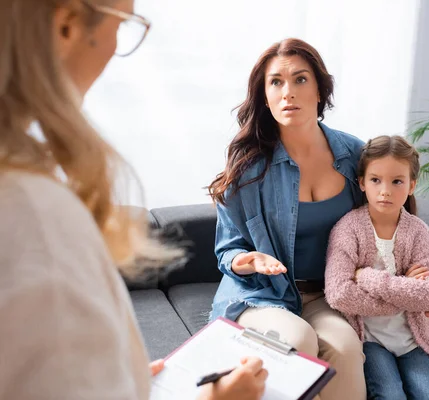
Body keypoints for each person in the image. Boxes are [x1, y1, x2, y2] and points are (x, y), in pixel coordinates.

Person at [0, 1, 266, 399]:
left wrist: (117, 378)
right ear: (68, 25)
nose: (114, 47)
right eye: (124, 24)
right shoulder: (35, 216)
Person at [207, 38, 429, 400]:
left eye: (300, 79)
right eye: (276, 82)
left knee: (348, 349)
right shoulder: (248, 166)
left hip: (327, 294)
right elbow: (227, 250)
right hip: (261, 294)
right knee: (297, 339)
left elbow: (391, 214)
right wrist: (248, 260)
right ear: (265, 95)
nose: (288, 92)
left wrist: (417, 279)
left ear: (320, 90)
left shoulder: (353, 154)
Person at [324, 135, 429, 400]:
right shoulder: (347, 229)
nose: (385, 190)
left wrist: (366, 277)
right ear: (361, 182)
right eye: (375, 180)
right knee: (391, 395)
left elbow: (427, 295)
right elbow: (338, 293)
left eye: (397, 181)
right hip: (370, 342)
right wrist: (403, 293)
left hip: (414, 341)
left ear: (411, 185)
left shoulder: (419, 233)